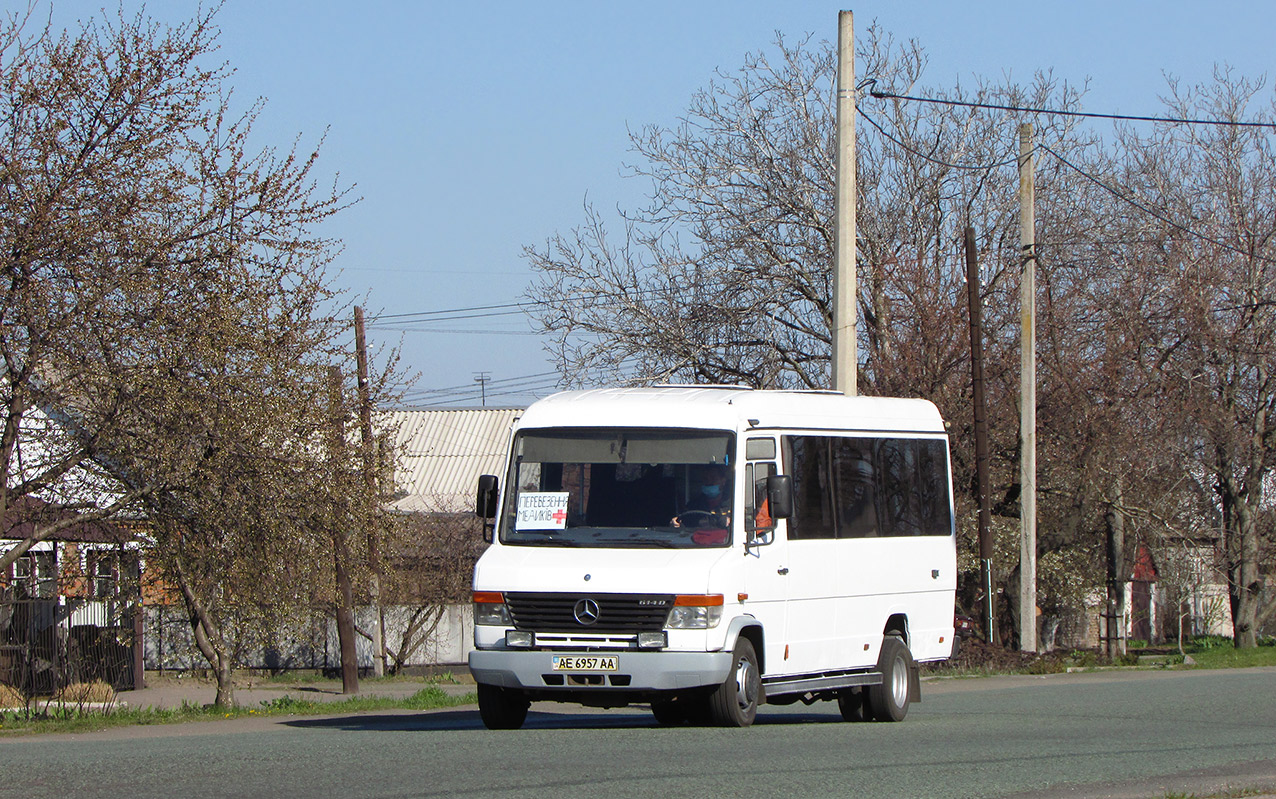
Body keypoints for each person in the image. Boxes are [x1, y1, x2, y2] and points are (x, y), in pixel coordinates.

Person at [672, 463, 731, 531]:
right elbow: (684, 521)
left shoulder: (733, 505)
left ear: (723, 481)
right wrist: (676, 522)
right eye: (705, 479)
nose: (709, 482)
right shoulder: (693, 505)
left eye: (713, 478)